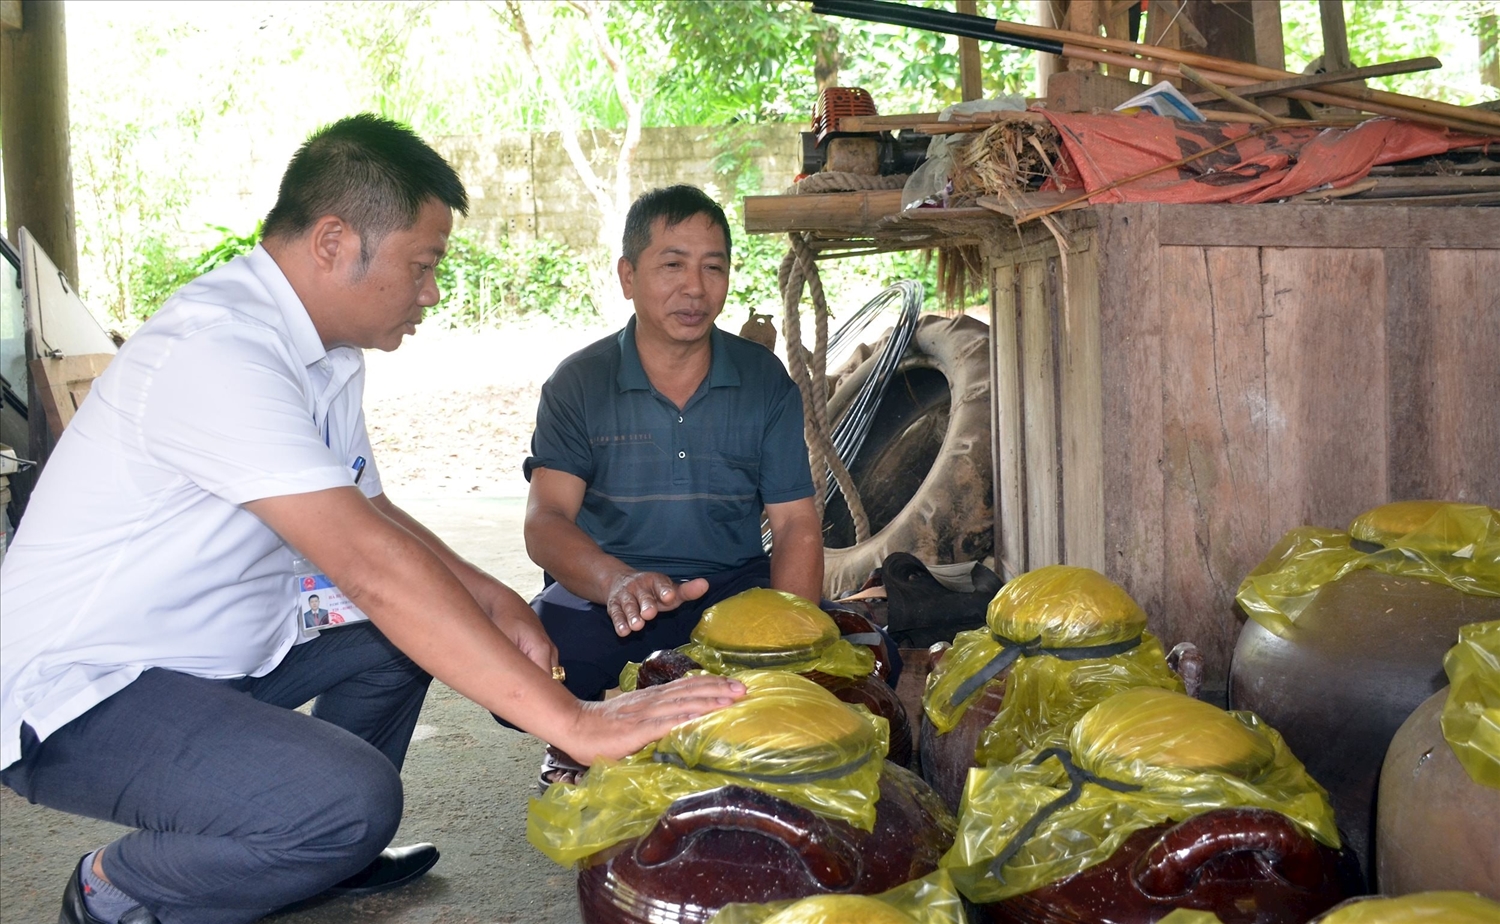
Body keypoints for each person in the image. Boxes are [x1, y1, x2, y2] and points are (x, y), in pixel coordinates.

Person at [0, 116, 743, 924]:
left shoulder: (326, 351)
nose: (431, 291)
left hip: (208, 649)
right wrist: (577, 722)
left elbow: (372, 512)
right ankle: (123, 885)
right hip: (83, 688)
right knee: (354, 799)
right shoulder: (217, 351)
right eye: (421, 266)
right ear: (331, 242)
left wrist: (493, 601)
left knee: (410, 636)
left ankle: (317, 854)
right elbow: (368, 565)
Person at [521, 185, 824, 785]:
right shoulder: (579, 383)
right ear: (627, 276)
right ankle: (583, 736)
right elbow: (546, 521)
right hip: (608, 596)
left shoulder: (763, 379)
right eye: (672, 265)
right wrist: (617, 581)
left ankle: (707, 733)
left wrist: (793, 641)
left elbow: (795, 524)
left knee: (864, 658)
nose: (695, 287)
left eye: (714, 268)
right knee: (528, 656)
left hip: (731, 589)